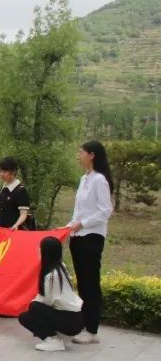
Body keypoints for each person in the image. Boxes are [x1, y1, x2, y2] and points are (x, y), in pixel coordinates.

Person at [68, 140, 114, 346]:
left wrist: (82, 224)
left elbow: (105, 211)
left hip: (91, 237)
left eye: (81, 152)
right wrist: (69, 226)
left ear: (92, 155)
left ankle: (92, 329)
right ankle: (83, 323)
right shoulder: (84, 179)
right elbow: (80, 211)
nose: (78, 156)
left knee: (90, 283)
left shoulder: (99, 180)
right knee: (82, 282)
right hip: (77, 237)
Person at [18, 237, 84, 352]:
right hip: (73, 317)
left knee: (34, 307)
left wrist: (33, 304)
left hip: (71, 320)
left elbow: (47, 302)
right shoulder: (60, 266)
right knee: (25, 317)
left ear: (46, 252)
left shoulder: (52, 275)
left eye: (40, 249)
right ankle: (56, 337)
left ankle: (55, 341)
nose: (38, 251)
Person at [0, 157, 31, 230]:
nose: (1, 174)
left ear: (13, 171)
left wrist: (16, 225)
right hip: (0, 231)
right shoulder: (0, 192)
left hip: (15, 231)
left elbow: (23, 214)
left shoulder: (20, 191)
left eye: (4, 171)